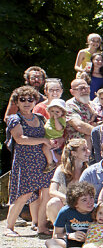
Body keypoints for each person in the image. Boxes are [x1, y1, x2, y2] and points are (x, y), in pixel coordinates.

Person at [4, 86, 54, 236]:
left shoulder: (40, 118)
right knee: (23, 195)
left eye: (30, 99)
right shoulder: (14, 119)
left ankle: (41, 226)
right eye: (22, 99)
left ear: (35, 101)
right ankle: (9, 227)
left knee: (45, 194)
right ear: (17, 102)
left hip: (43, 161)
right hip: (25, 161)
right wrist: (43, 140)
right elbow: (20, 139)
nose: (27, 102)